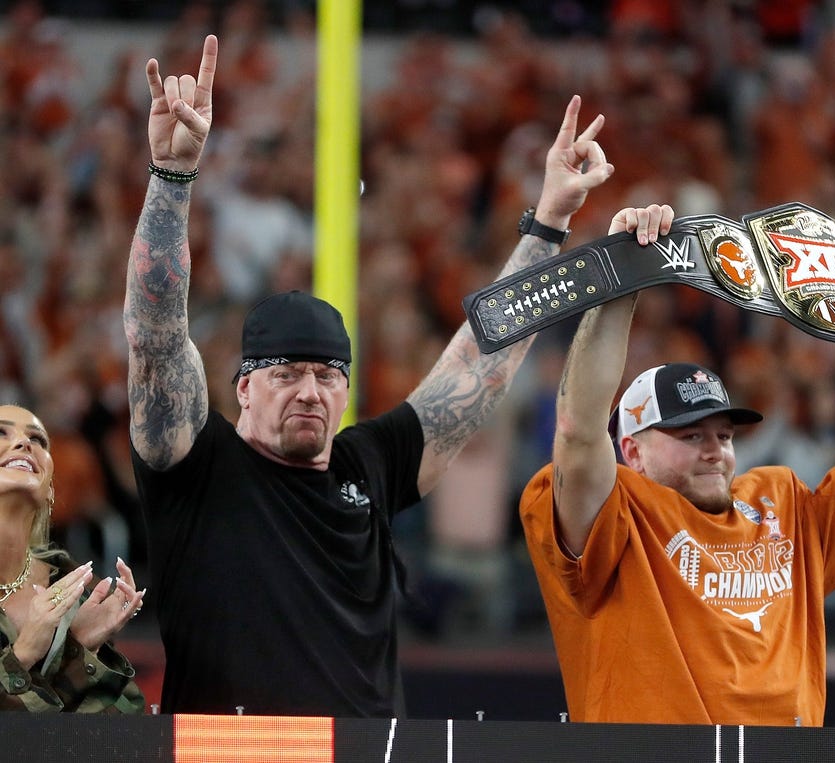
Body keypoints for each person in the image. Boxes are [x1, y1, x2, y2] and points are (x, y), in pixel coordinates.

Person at [123, 34, 653, 717]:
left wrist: (548, 222)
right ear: (244, 387)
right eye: (287, 374)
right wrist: (171, 178)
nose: (311, 391)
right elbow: (155, 335)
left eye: (327, 374)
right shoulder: (197, 467)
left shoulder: (366, 462)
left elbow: (476, 366)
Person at [520, 203, 835, 726]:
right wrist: (621, 280)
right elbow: (577, 431)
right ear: (632, 451)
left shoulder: (783, 502)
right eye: (690, 435)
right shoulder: (613, 515)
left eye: (725, 434)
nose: (716, 450)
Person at [0, 404, 144, 712]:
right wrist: (23, 654)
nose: (26, 443)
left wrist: (80, 647)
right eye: (1, 432)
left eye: (38, 439)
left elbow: (114, 738)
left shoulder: (69, 587)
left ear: (50, 489)